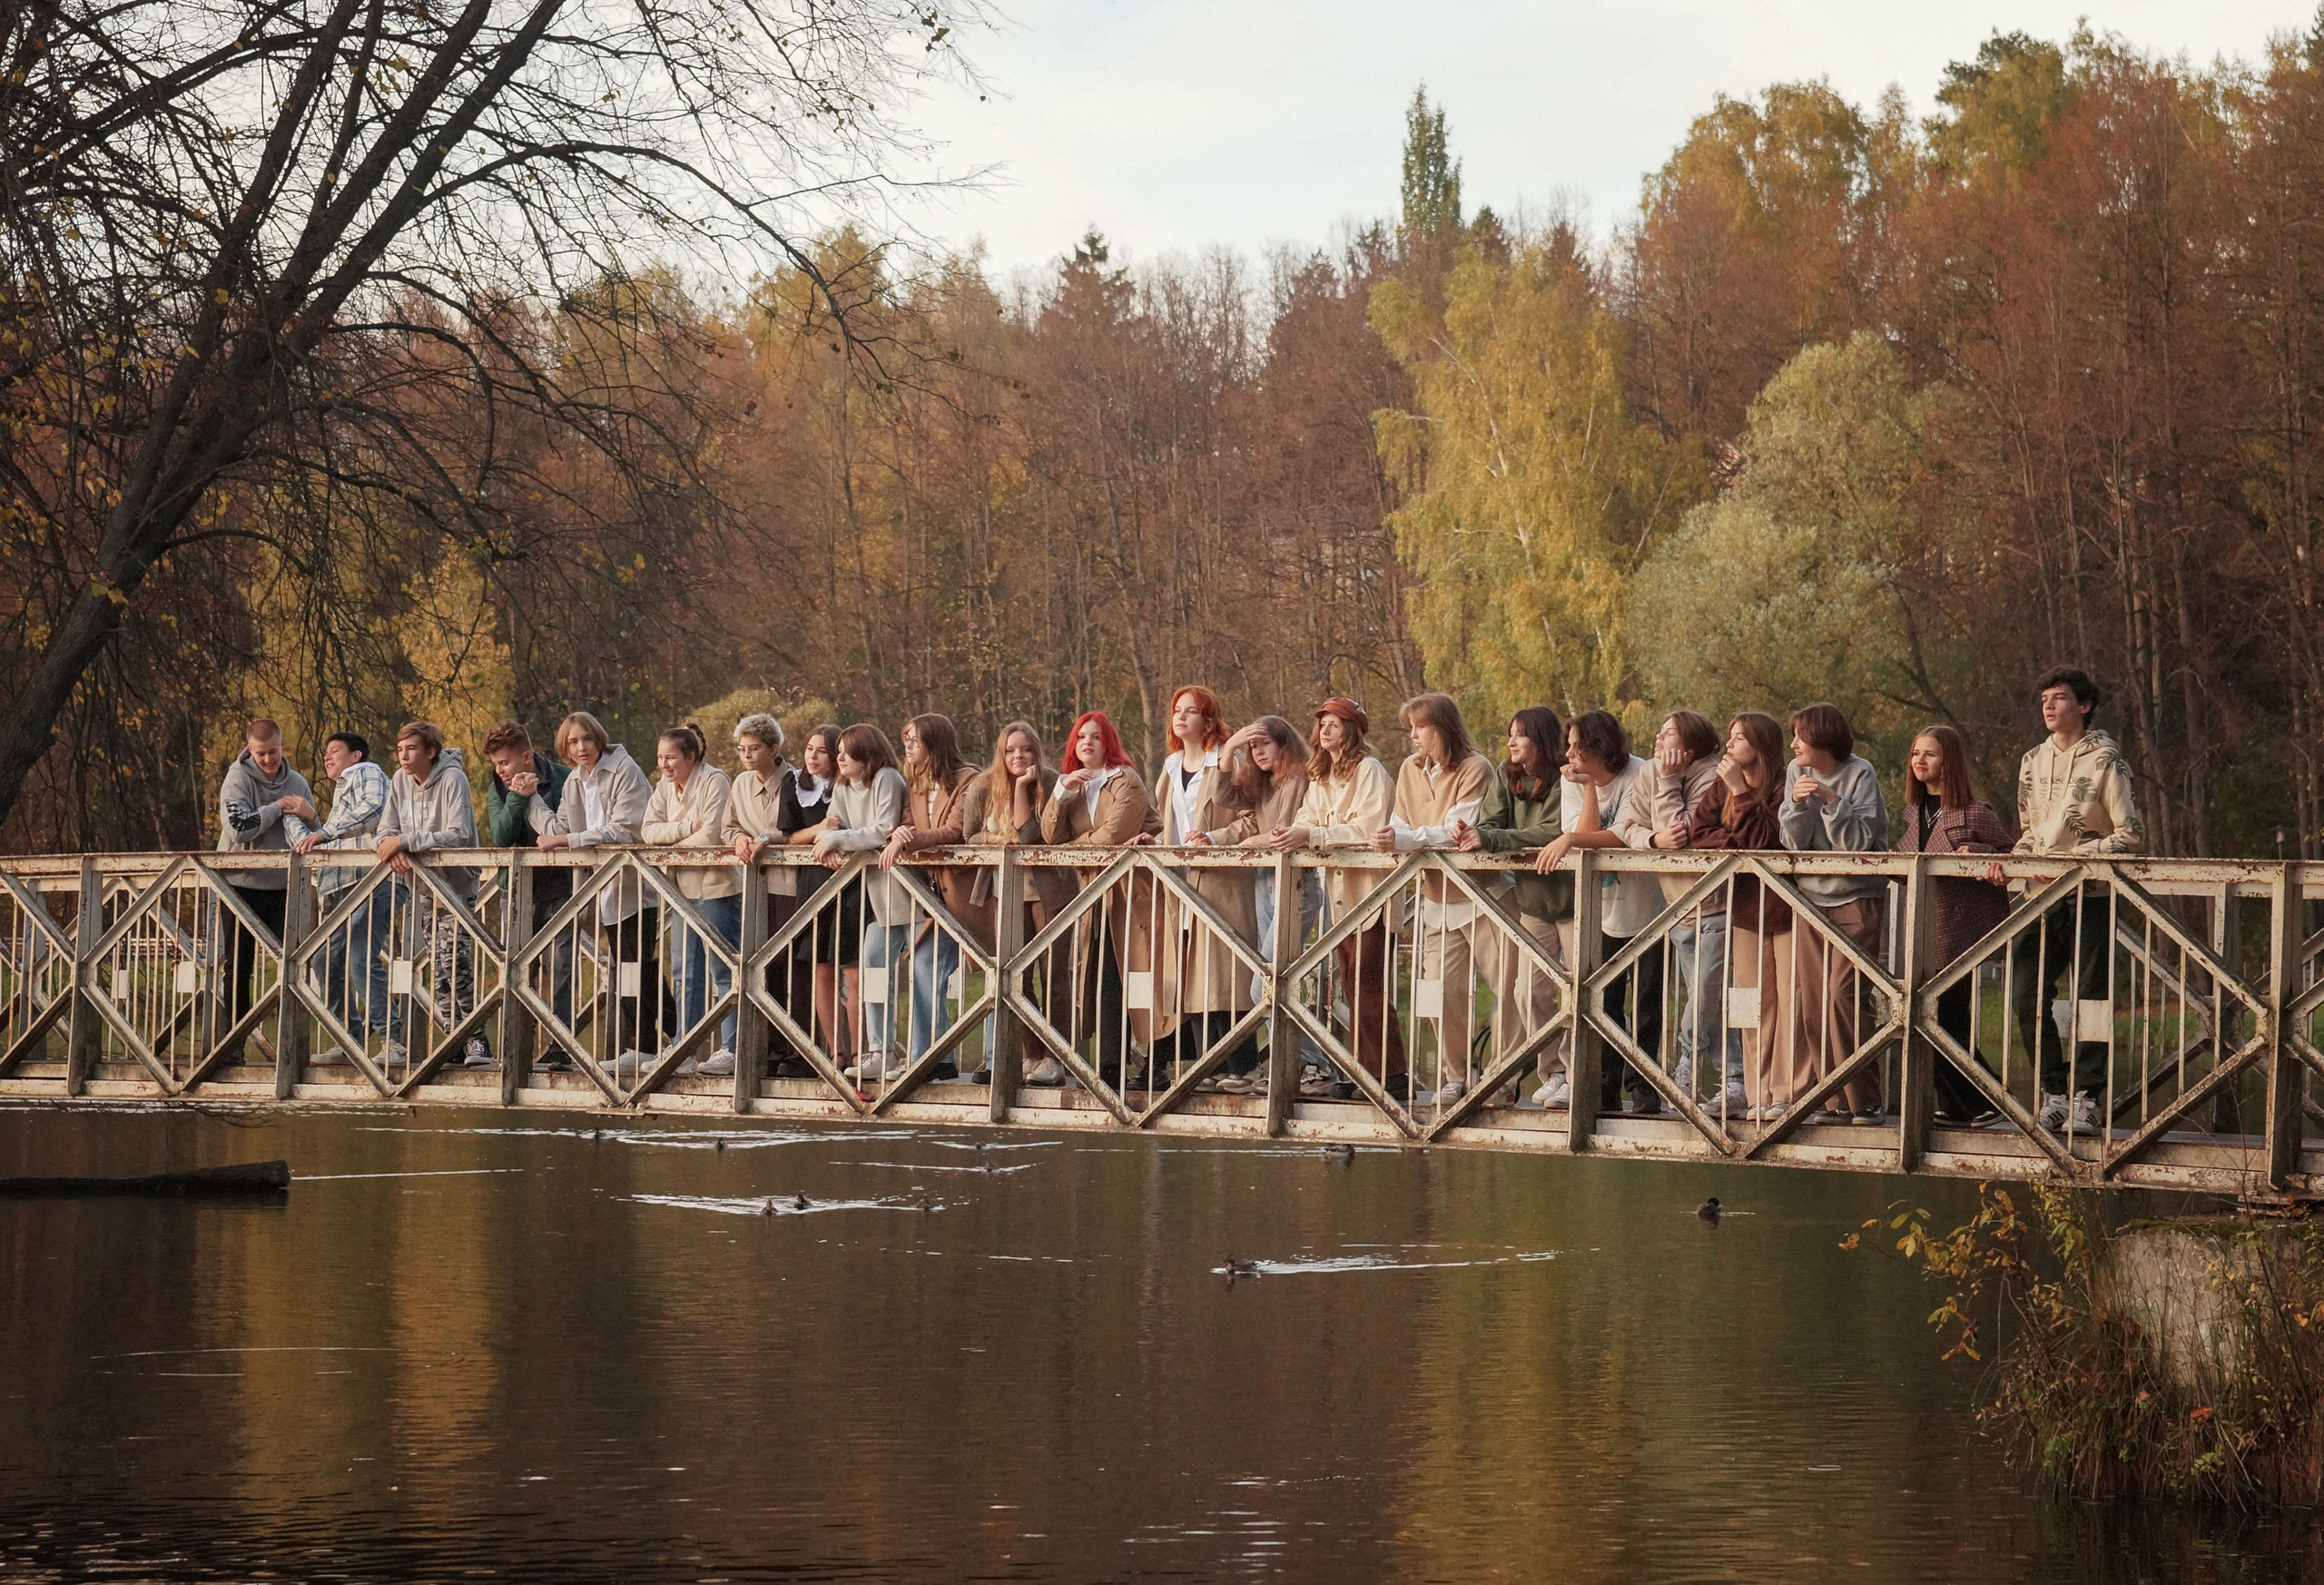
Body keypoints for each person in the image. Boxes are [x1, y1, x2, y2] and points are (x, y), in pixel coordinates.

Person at [1986, 666, 2147, 1136]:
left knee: (2092, 998)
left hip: (2090, 893)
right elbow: (2029, 833)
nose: (2049, 707)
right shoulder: (2031, 760)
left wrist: (2074, 856)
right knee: (2023, 995)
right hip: (2040, 896)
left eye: (2059, 698)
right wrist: (2013, 864)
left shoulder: (2106, 760)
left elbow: (2130, 835)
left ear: (2085, 706)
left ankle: (2088, 1099)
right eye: (2044, 700)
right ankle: (2053, 1091)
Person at [1270, 698, 1403, 1101]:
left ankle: (1389, 1073)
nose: (1326, 730)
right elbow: (1307, 817)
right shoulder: (1321, 776)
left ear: (1352, 729)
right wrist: (1297, 832)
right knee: (1350, 983)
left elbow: (1369, 826)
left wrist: (1314, 836)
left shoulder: (1370, 771)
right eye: (1322, 724)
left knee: (1369, 981)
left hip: (1371, 892)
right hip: (1340, 895)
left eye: (1335, 724)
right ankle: (1366, 1067)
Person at [1369, 692, 1498, 1106]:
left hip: (1484, 897)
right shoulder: (1409, 769)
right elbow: (1399, 821)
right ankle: (1456, 1073)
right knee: (1437, 992)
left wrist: (1406, 839)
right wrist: (1394, 836)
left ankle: (1504, 1074)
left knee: (1510, 990)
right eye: (1410, 728)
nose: (1412, 736)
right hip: (1436, 898)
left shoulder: (1476, 767)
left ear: (1441, 727)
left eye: (1419, 727)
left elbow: (1455, 829)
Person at [1533, 710, 1659, 1113]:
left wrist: (1571, 838)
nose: (1568, 754)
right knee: (1605, 1004)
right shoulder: (1573, 782)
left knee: (1647, 1005)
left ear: (1600, 746)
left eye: (1576, 746)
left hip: (1650, 907)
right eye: (1568, 746)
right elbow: (1584, 835)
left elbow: (1621, 835)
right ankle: (1604, 1093)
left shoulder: (1639, 773)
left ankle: (1645, 1092)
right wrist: (1587, 790)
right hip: (1599, 910)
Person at [1777, 702, 1891, 1124]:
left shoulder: (1860, 773)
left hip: (1856, 899)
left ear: (1822, 739)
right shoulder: (1795, 772)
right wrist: (1796, 805)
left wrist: (1829, 799)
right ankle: (1833, 1099)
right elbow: (1794, 843)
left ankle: (1866, 1099)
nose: (1793, 745)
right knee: (1812, 1003)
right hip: (1812, 900)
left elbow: (1860, 844)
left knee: (1843, 998)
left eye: (1800, 737)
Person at [1455, 706, 1572, 1108]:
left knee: (1576, 993)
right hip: (1534, 903)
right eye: (1509, 735)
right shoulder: (1508, 776)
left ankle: (1576, 1074)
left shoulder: (1564, 777)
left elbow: (1552, 830)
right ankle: (1553, 1072)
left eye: (1519, 735)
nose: (1510, 742)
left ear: (1539, 738)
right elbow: (1491, 823)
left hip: (1574, 902)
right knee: (1528, 992)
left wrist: (1493, 839)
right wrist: (1474, 834)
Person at [1898, 724, 2015, 1123]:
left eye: (1929, 754)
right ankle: (1957, 1104)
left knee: (1946, 1016)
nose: (1919, 761)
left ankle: (1991, 1100)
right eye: (1916, 753)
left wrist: (1980, 852)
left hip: (1961, 930)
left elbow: (2011, 853)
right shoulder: (1913, 813)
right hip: (1923, 928)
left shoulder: (1975, 811)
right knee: (1924, 1017)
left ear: (1949, 762)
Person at [1147, 685, 1261, 1088]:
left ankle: (1244, 1068)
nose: (1180, 717)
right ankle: (1208, 1067)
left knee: (1226, 975)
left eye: (1190, 711)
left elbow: (1253, 820)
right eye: (1177, 710)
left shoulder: (1228, 761)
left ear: (1208, 720)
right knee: (1192, 974)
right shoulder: (1170, 764)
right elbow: (1166, 823)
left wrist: (1214, 839)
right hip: (1182, 883)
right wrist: (1153, 843)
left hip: (1224, 881)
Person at [1039, 710, 1161, 1088]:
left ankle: (1156, 1066)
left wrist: (1072, 852)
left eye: (1095, 736)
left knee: (1142, 976)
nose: (1087, 742)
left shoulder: (1126, 780)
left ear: (1108, 742)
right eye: (1080, 737)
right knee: (1105, 975)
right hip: (1098, 896)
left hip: (1137, 892)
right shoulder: (1074, 785)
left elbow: (1112, 837)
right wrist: (1060, 794)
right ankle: (1110, 1064)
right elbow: (1048, 837)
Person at [1624, 710, 1737, 1113]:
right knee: (1710, 999)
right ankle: (1733, 1081)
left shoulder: (1713, 776)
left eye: (1668, 732)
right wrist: (1651, 839)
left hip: (1717, 903)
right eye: (1658, 730)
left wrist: (1669, 784)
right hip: (1679, 908)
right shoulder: (1649, 772)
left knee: (1708, 995)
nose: (1657, 738)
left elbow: (1686, 833)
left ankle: (1690, 1063)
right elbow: (1627, 827)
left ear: (1690, 744)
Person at [530, 712, 657, 1068]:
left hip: (636, 882)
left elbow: (623, 828)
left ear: (599, 738)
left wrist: (566, 840)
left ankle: (651, 1044)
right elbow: (558, 826)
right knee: (629, 963)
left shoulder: (624, 770)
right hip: (605, 888)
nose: (581, 747)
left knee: (636, 965)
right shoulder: (574, 781)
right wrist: (531, 800)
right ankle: (657, 1038)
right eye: (573, 742)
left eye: (586, 738)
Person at [1683, 714, 1789, 1119]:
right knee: (1747, 1006)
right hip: (1743, 910)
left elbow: (1766, 842)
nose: (1729, 745)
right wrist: (1737, 836)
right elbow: (1698, 832)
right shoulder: (1722, 785)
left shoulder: (1782, 784)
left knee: (1785, 1006)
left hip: (1783, 909)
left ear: (1760, 745)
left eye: (1739, 737)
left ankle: (1783, 1093)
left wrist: (1741, 794)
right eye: (1729, 737)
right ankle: (1753, 1091)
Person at [1211, 714, 1323, 1094]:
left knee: (1267, 985)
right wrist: (1229, 750)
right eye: (1251, 747)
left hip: (1296, 882)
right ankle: (1297, 1067)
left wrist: (1247, 847)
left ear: (1283, 745)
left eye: (1264, 745)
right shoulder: (1264, 783)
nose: (1257, 753)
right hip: (1265, 881)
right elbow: (1222, 797)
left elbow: (1283, 833)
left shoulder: (1297, 778)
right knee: (1272, 983)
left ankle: (1314, 1065)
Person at [966, 721, 1077, 1081]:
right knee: (1018, 978)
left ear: (1036, 751)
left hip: (1051, 891)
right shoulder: (982, 787)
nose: (1018, 756)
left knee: (1054, 977)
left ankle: (1058, 1058)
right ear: (1000, 753)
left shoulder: (1051, 783)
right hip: (1007, 893)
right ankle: (1033, 1056)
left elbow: (1028, 836)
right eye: (1011, 750)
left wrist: (1022, 789)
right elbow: (969, 836)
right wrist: (995, 839)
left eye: (1025, 749)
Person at [373, 720, 486, 1068]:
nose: (404, 757)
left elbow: (458, 833)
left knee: (457, 961)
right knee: (438, 968)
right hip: (422, 887)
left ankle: (477, 1040)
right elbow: (385, 830)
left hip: (457, 885)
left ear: (430, 752)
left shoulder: (453, 779)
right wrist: (392, 847)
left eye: (411, 749)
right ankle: (453, 1037)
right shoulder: (398, 781)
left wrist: (405, 842)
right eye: (400, 750)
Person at [881, 713, 987, 1075]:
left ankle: (992, 1060)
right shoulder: (915, 783)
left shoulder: (968, 780)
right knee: (924, 965)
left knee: (995, 973)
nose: (907, 746)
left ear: (935, 743)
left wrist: (906, 838)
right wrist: (901, 832)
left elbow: (955, 830)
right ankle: (932, 1059)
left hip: (973, 895)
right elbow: (908, 822)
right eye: (905, 739)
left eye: (915, 740)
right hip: (935, 898)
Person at [724, 714, 821, 1077]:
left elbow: (800, 828)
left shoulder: (798, 781)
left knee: (798, 966)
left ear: (773, 748)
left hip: (794, 885)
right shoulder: (740, 784)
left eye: (753, 749)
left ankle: (803, 1050)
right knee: (766, 969)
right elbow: (729, 824)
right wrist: (737, 839)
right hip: (756, 888)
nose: (746, 756)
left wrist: (765, 838)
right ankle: (772, 1048)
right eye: (741, 749)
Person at [812, 724, 909, 1082]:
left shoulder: (886, 777)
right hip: (868, 890)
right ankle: (881, 1050)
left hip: (900, 889)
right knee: (873, 964)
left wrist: (839, 839)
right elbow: (831, 828)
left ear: (867, 754)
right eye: (837, 751)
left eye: (847, 751)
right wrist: (833, 843)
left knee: (924, 973)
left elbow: (883, 828)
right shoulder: (841, 785)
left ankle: (915, 1053)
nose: (839, 758)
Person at [642, 723, 739, 1076]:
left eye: (670, 758)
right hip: (681, 892)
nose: (664, 765)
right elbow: (648, 831)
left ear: (691, 757)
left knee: (725, 971)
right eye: (660, 758)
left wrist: (669, 851)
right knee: (686, 972)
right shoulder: (664, 787)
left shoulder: (715, 780)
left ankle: (730, 1049)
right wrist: (685, 829)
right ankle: (685, 1047)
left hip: (718, 889)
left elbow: (711, 836)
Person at [216, 718, 315, 1054]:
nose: (269, 760)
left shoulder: (298, 782)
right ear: (249, 750)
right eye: (261, 754)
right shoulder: (237, 779)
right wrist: (276, 806)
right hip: (240, 885)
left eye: (273, 752)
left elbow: (310, 835)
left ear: (282, 746)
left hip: (284, 887)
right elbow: (239, 829)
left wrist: (311, 816)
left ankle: (292, 1049)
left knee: (294, 965)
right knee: (238, 967)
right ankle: (233, 1047)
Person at [291, 732, 389, 1062]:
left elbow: (374, 810)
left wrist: (323, 830)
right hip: (339, 888)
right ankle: (350, 1039)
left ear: (356, 755)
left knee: (361, 958)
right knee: (322, 960)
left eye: (334, 751)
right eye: (325, 753)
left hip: (365, 881)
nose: (327, 757)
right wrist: (305, 819)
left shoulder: (366, 772)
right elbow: (330, 841)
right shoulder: (342, 792)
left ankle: (394, 1040)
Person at [482, 721, 574, 1068]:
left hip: (562, 886)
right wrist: (519, 798)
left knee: (562, 967)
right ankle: (516, 1047)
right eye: (495, 764)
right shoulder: (498, 785)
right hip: (516, 891)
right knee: (517, 968)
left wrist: (532, 797)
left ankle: (561, 1047)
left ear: (525, 756)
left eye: (504, 762)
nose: (500, 770)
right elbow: (502, 837)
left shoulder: (564, 778)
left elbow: (570, 828)